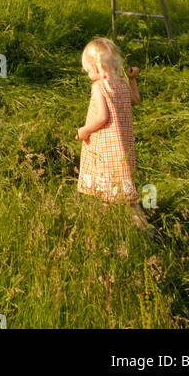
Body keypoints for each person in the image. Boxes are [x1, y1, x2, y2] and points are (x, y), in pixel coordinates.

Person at [76, 36, 151, 231]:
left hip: (105, 150)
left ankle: (144, 232)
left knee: (115, 197)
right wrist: (132, 79)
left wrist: (84, 131)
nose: (89, 74)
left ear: (98, 68)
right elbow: (135, 100)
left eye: (90, 70)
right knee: (120, 194)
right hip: (122, 148)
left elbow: (102, 117)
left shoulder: (99, 87)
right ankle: (111, 229)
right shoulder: (122, 84)